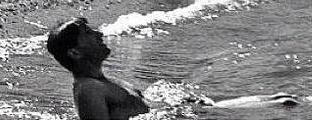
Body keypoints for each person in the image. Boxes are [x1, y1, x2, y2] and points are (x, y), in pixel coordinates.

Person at [46, 17, 298, 120]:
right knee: (286, 103)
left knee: (283, 100)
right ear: (75, 52)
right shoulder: (89, 90)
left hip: (196, 111)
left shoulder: (104, 81)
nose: (100, 33)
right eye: (89, 34)